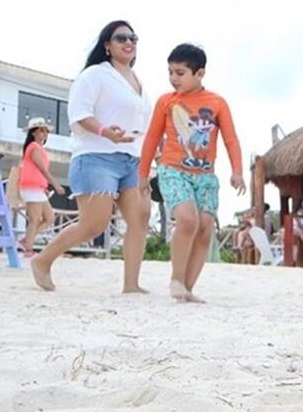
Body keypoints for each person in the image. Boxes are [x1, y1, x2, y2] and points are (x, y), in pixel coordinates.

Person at [30, 20, 152, 292]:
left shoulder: (138, 83)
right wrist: (104, 130)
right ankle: (42, 260)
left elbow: (146, 124)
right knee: (93, 225)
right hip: (96, 156)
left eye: (133, 37)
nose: (128, 42)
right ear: (107, 45)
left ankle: (131, 285)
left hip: (131, 159)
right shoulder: (94, 75)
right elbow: (79, 114)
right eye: (121, 38)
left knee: (140, 218)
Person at [139, 43, 244, 302]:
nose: (173, 78)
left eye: (180, 73)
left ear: (200, 74)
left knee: (206, 228)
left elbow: (231, 139)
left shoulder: (217, 103)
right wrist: (142, 173)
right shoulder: (166, 101)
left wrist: (237, 171)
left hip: (206, 175)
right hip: (173, 169)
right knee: (187, 221)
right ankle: (176, 279)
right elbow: (152, 137)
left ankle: (187, 287)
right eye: (170, 72)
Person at [17, 117, 65, 257]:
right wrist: (56, 184)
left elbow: (39, 171)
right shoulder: (33, 147)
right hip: (31, 187)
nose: (45, 133)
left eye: (45, 131)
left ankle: (26, 240)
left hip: (36, 187)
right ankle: (28, 249)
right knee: (35, 219)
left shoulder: (37, 148)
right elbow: (42, 169)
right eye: (41, 131)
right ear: (33, 132)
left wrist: (44, 185)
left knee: (50, 218)